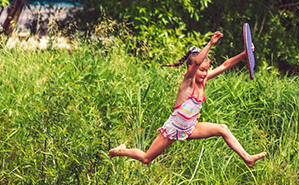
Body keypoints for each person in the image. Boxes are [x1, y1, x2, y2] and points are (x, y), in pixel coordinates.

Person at [109, 31, 267, 168]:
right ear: (191, 69)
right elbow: (197, 62)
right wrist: (210, 44)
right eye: (202, 70)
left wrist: (245, 54)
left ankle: (247, 158)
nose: (205, 74)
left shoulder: (203, 81)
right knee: (146, 158)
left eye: (206, 70)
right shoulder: (187, 83)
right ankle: (121, 151)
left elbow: (225, 65)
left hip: (190, 128)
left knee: (222, 129)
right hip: (174, 129)